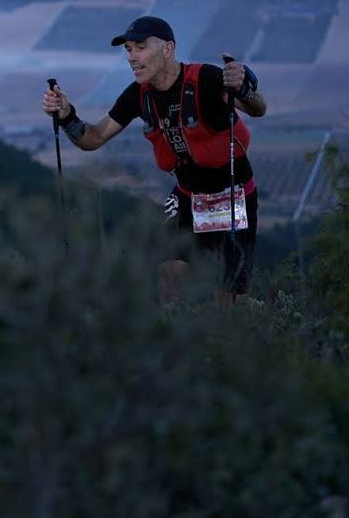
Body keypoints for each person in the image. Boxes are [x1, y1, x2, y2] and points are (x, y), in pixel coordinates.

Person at [41, 16, 266, 304]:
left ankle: (274, 320)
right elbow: (94, 138)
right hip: (187, 197)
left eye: (140, 48)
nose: (132, 58)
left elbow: (258, 109)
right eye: (128, 50)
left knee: (228, 306)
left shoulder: (206, 79)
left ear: (168, 49)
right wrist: (67, 115)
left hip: (231, 196)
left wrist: (245, 87)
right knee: (170, 284)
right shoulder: (138, 95)